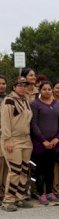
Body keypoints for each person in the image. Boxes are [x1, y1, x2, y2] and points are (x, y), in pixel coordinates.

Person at [1, 77, 34, 211]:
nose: (23, 87)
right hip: (13, 139)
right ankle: (8, 200)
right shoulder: (8, 101)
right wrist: (7, 139)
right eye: (19, 85)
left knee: (24, 170)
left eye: (25, 85)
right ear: (14, 87)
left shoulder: (25, 100)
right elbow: (5, 122)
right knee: (14, 170)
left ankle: (19, 197)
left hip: (26, 139)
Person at [31, 81, 59, 205]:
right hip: (40, 144)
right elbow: (33, 124)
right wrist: (43, 140)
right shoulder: (35, 104)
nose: (47, 91)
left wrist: (57, 138)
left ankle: (50, 192)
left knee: (50, 170)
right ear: (40, 90)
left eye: (49, 89)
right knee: (39, 170)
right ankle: (41, 194)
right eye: (44, 89)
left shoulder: (58, 104)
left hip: (54, 144)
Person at [0, 75, 7, 204]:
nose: (1, 85)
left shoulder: (8, 99)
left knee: (7, 167)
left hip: (7, 136)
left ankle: (4, 193)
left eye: (3, 83)